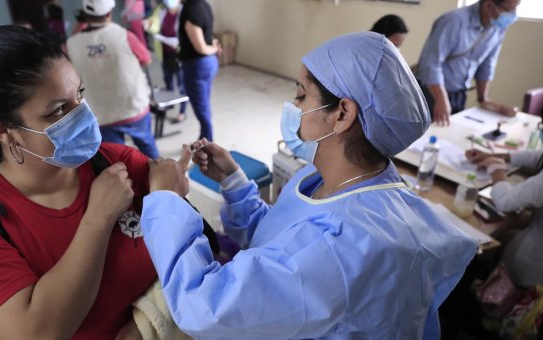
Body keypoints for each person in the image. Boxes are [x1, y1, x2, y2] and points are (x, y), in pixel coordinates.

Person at [140, 32, 477, 338]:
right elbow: (281, 243)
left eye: (301, 96)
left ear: (343, 113)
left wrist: (167, 199)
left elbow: (204, 306)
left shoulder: (343, 247)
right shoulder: (342, 180)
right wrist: (234, 182)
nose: (293, 107)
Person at [0, 25, 159, 339]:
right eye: (59, 110)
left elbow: (195, 253)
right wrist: (98, 218)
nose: (84, 117)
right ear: (4, 130)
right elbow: (38, 333)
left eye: (80, 96)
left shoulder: (118, 163)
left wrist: (151, 325)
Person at [68, 0, 159, 160]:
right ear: (109, 13)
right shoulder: (123, 35)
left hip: (101, 113)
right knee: (148, 149)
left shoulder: (71, 44)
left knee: (117, 159)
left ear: (84, 15)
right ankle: (162, 180)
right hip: (132, 107)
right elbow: (146, 59)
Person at [417, 0, 521, 126]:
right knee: (426, 140)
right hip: (432, 93)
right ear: (489, 5)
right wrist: (441, 100)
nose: (513, 14)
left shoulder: (497, 28)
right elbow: (431, 63)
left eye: (516, 9)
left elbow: (487, 64)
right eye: (509, 9)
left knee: (451, 138)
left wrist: (483, 99)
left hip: (459, 95)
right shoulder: (454, 21)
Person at [466, 148, 543, 288]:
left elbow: (506, 202)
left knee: (496, 234)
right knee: (510, 227)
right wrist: (497, 156)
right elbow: (537, 156)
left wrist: (496, 168)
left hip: (533, 264)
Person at [179, 0, 220, 141]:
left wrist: (213, 48)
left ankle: (208, 145)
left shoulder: (191, 11)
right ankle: (203, 138)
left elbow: (201, 48)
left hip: (197, 66)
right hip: (208, 64)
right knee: (204, 106)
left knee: (202, 111)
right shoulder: (204, 5)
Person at [145, 0, 188, 123]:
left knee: (181, 84)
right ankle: (170, 103)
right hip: (165, 52)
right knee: (168, 80)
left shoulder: (183, 10)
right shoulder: (161, 10)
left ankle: (182, 112)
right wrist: (149, 24)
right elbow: (155, 26)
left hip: (179, 53)